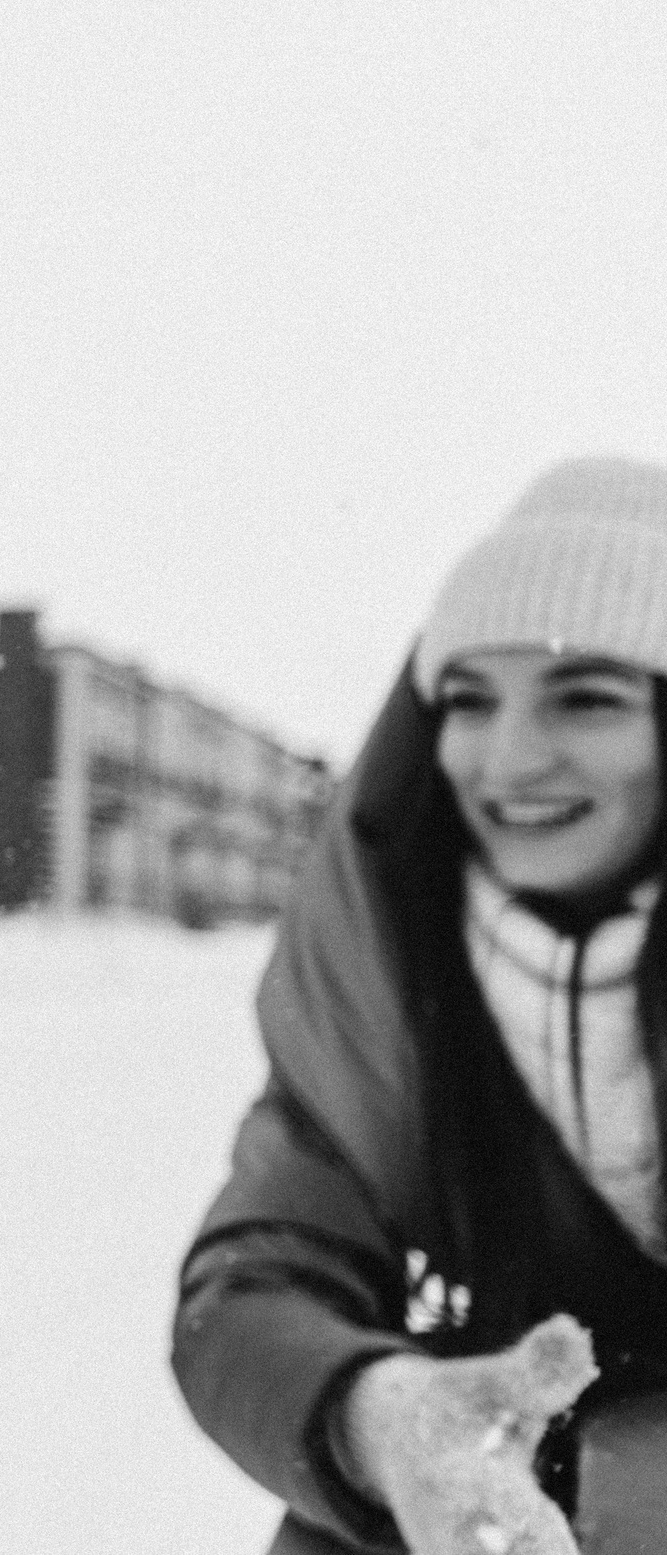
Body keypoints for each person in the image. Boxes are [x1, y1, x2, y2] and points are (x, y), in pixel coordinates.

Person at [175, 458, 667, 1555]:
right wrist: (377, 1420)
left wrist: (617, 1481)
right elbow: (258, 1280)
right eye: (466, 700)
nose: (507, 758)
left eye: (584, 696)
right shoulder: (390, 985)